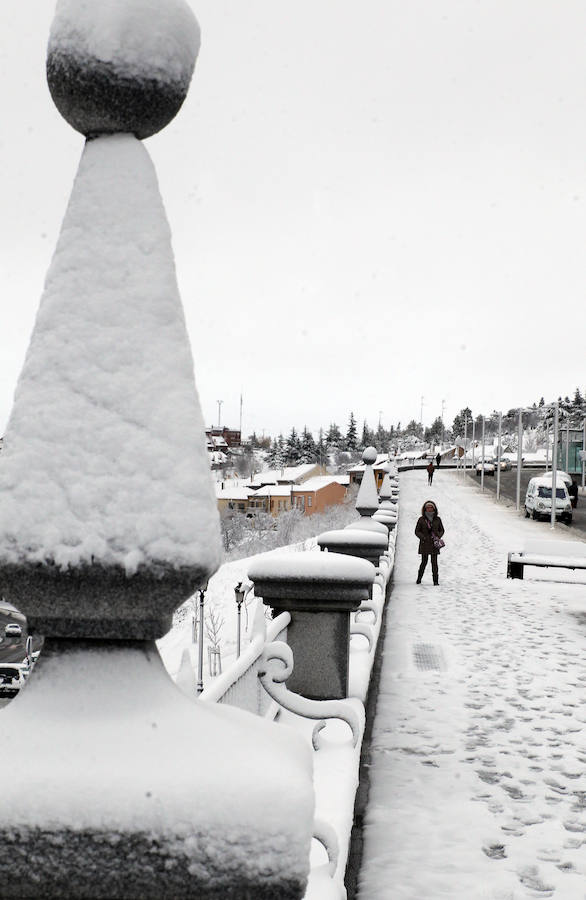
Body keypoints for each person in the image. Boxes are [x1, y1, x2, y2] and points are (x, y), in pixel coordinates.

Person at [415, 500, 445, 585]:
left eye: (431, 507)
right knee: (424, 562)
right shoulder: (421, 519)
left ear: (434, 508)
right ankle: (419, 579)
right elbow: (417, 531)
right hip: (424, 544)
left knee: (434, 563)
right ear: (425, 509)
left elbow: (442, 530)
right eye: (427, 507)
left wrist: (438, 536)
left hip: (434, 544)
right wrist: (423, 538)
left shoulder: (437, 519)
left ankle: (435, 581)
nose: (429, 509)